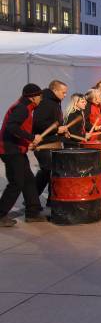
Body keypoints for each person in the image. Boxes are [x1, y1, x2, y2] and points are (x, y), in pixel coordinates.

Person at [0, 84, 45, 226]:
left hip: (16, 149)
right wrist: (32, 138)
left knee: (29, 180)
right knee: (17, 183)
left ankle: (33, 212)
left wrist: (27, 143)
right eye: (39, 96)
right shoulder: (22, 108)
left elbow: (17, 130)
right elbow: (11, 127)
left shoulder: (25, 107)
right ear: (32, 97)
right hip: (10, 151)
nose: (41, 99)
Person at [32, 80, 69, 199]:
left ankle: (51, 199)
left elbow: (55, 122)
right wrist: (57, 129)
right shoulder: (45, 102)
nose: (65, 95)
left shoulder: (55, 102)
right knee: (47, 170)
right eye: (63, 92)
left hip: (53, 143)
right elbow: (38, 123)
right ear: (55, 90)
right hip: (44, 144)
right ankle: (31, 198)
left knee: (54, 172)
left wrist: (63, 132)